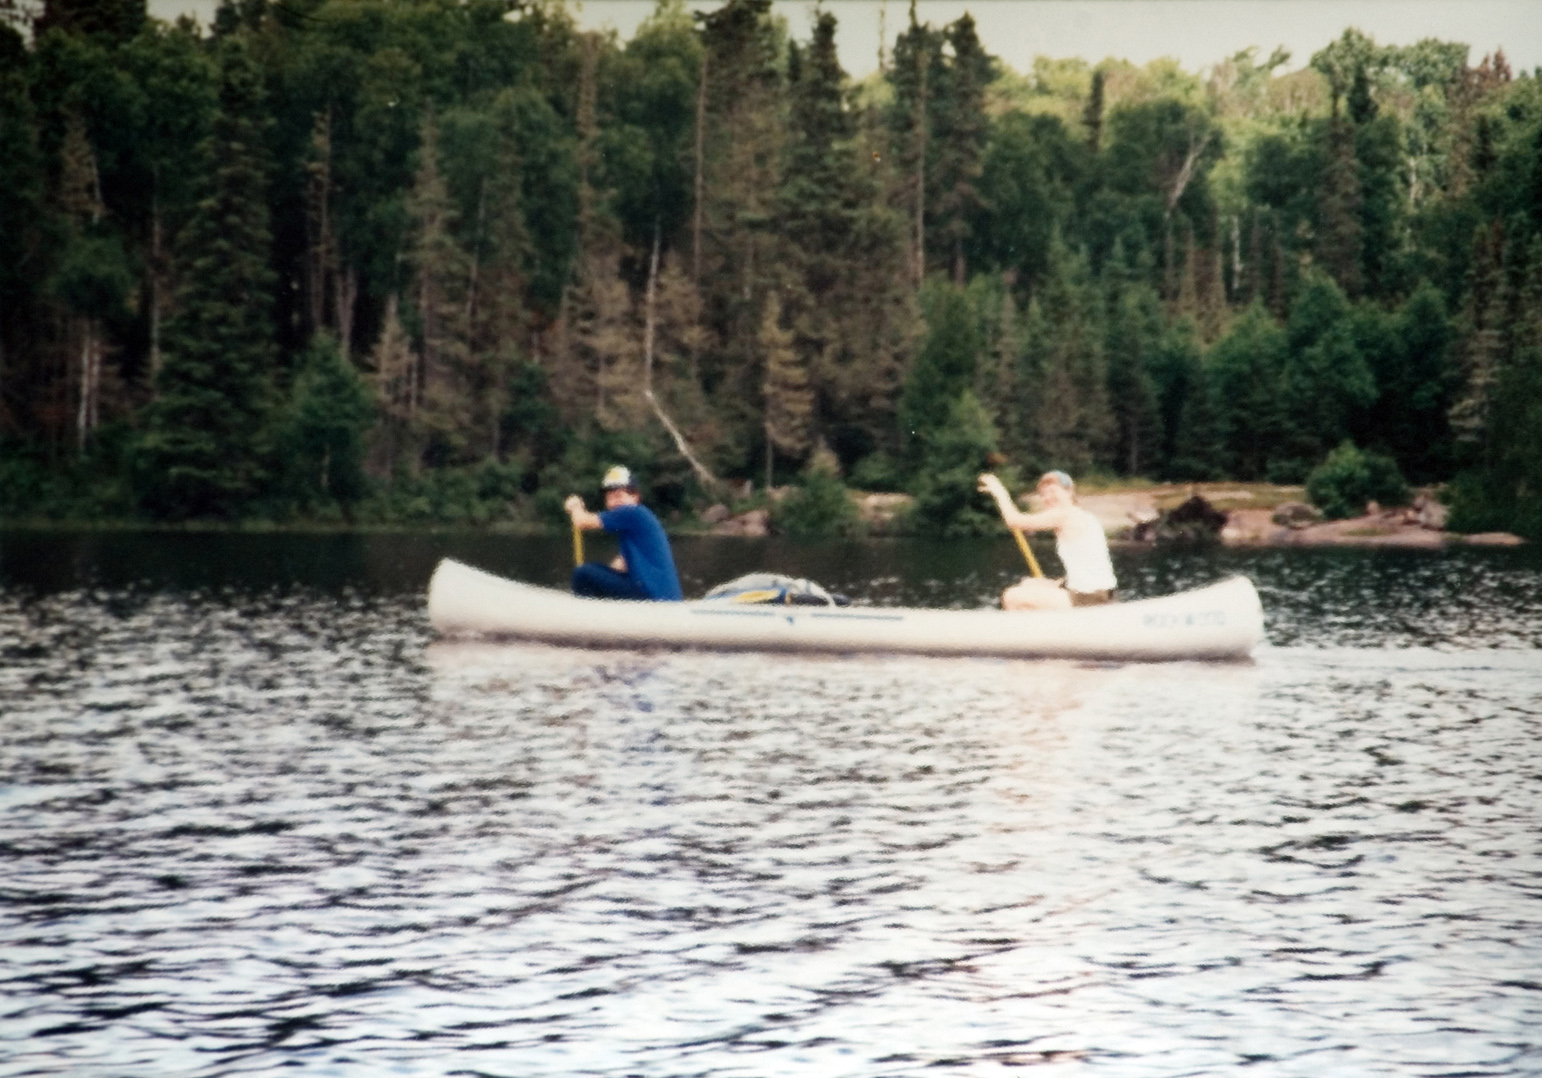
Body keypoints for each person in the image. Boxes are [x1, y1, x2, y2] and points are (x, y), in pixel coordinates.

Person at [976, 470, 1117, 610]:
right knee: (1029, 584)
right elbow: (1089, 567)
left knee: (1011, 596)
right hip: (1102, 593)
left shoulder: (1064, 514)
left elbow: (1014, 521)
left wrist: (999, 492)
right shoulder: (1087, 516)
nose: (1048, 497)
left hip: (1089, 598)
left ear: (1069, 492)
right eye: (1044, 494)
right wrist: (1056, 584)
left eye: (1053, 491)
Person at [564, 466, 683, 601]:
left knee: (583, 573)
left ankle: (583, 617)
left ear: (635, 496)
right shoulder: (636, 522)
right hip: (658, 597)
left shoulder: (633, 512)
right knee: (595, 571)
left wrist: (575, 506)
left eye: (619, 496)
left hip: (653, 598)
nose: (614, 502)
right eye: (610, 497)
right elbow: (621, 565)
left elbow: (582, 522)